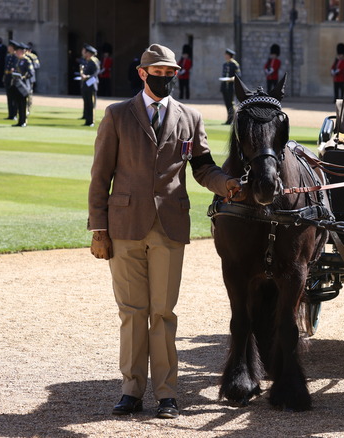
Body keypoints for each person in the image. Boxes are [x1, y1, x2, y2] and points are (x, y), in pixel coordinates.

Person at [88, 43, 240, 420]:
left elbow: (204, 167)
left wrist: (229, 185)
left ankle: (168, 394)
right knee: (132, 312)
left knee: (163, 312)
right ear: (143, 73)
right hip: (124, 227)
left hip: (170, 226)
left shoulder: (190, 116)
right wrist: (99, 229)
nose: (166, 78)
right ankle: (131, 391)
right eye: (159, 73)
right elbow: (100, 176)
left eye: (171, 73)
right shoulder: (117, 115)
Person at [10, 41, 35, 127]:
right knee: (18, 103)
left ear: (22, 52)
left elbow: (31, 72)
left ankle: (23, 121)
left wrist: (23, 77)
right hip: (18, 84)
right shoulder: (18, 60)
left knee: (23, 104)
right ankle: (20, 121)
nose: (17, 53)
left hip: (24, 85)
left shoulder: (27, 60)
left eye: (18, 51)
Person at [80, 44, 100, 127]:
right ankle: (87, 120)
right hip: (86, 85)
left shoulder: (93, 61)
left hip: (92, 85)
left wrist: (86, 76)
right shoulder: (88, 61)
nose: (83, 53)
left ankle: (91, 121)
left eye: (85, 52)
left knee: (91, 104)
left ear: (88, 53)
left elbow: (96, 73)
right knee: (87, 103)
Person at [220, 48, 241, 125]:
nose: (225, 56)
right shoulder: (225, 64)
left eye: (226, 54)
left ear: (229, 55)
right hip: (225, 86)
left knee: (231, 104)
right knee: (227, 103)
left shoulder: (235, 64)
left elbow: (238, 76)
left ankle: (233, 119)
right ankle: (229, 119)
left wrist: (231, 79)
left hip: (231, 87)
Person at [4, 41, 18, 120]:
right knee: (9, 97)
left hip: (13, 78)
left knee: (14, 97)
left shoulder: (16, 57)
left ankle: (14, 114)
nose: (8, 48)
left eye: (9, 47)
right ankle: (10, 114)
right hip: (8, 78)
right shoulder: (8, 56)